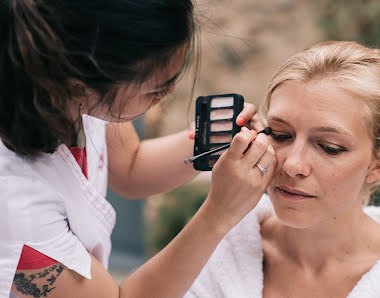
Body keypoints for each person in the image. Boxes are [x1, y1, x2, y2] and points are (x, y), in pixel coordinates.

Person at [0, 1, 277, 297]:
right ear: (78, 85)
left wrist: (216, 141)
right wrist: (219, 213)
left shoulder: (76, 82)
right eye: (154, 90)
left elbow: (131, 167)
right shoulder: (15, 211)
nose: (169, 91)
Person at [185, 41, 380, 298]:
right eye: (280, 134)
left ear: (379, 164)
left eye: (329, 147)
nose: (292, 165)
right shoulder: (217, 254)